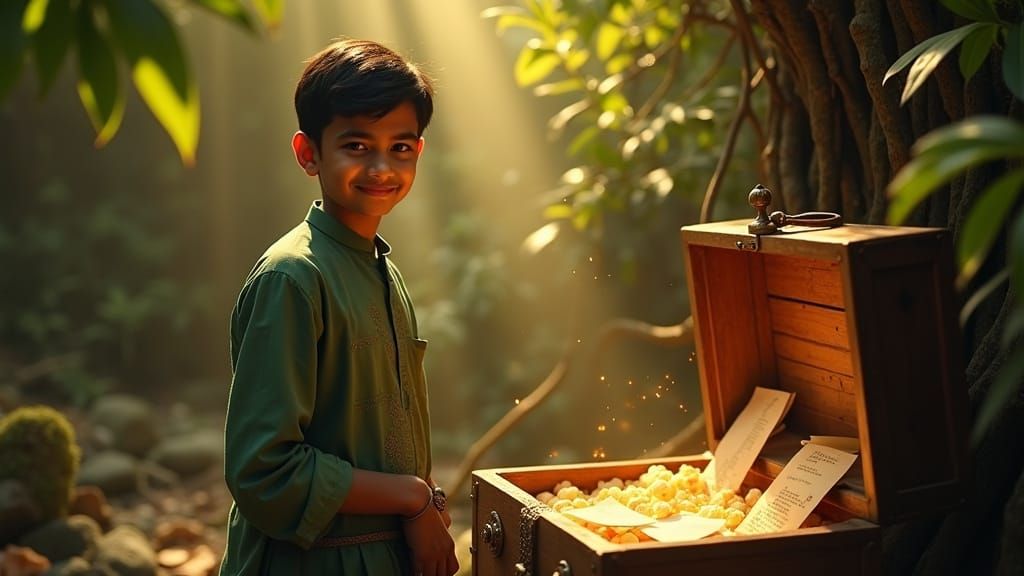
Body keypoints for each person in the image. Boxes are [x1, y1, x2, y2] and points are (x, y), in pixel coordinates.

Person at [219, 38, 458, 576]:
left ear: (418, 152)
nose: (380, 167)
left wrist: (423, 505)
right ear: (309, 154)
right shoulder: (292, 278)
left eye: (399, 146)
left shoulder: (382, 270)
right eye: (356, 145)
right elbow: (264, 471)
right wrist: (410, 498)